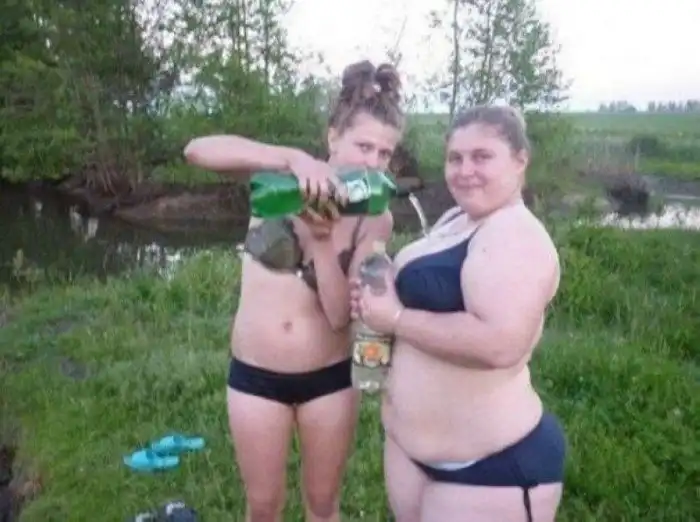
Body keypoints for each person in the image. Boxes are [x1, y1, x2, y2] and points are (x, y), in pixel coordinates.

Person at [183, 60, 405, 522]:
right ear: (333, 138)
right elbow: (197, 151)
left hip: (328, 380)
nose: (373, 162)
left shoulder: (374, 217)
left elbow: (340, 317)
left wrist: (322, 243)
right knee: (264, 507)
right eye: (364, 146)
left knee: (322, 505)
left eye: (385, 153)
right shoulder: (278, 185)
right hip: (255, 377)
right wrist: (288, 157)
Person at [350, 105, 566, 522]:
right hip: (410, 451)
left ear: (520, 161)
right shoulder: (458, 218)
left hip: (488, 467)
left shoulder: (516, 235)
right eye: (455, 158)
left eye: (482, 157)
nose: (465, 171)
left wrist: (395, 319)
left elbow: (499, 344)